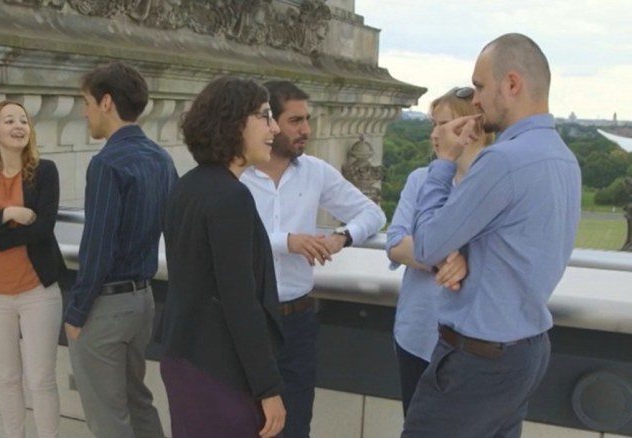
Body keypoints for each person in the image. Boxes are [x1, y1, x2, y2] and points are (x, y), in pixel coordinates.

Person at [402, 33, 581, 437]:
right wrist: (467, 251)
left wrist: (444, 161)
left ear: (512, 83)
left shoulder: (503, 160)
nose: (477, 100)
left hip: (477, 362)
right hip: (526, 351)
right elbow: (517, 241)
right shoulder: (562, 157)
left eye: (480, 87)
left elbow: (427, 245)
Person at [240, 80, 386, 438]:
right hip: (245, 319)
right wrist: (286, 242)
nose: (306, 129)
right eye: (295, 121)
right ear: (269, 123)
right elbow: (225, 238)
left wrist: (341, 237)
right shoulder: (236, 173)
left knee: (295, 425)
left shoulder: (315, 171)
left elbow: (373, 214)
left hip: (297, 323)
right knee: (242, 423)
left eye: (307, 119)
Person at [159, 76, 285, 438]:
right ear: (233, 122)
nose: (274, 128)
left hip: (184, 357)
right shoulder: (231, 197)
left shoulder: (187, 186)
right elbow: (239, 299)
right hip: (220, 371)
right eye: (264, 115)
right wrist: (268, 387)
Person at [64, 61, 176, 438]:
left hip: (105, 306)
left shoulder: (106, 163)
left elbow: (98, 248)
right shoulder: (162, 159)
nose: (85, 112)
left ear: (106, 102)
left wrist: (77, 312)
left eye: (87, 102)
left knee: (108, 418)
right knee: (137, 401)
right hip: (143, 302)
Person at [0, 100, 65, 438]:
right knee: (6, 378)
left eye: (23, 120)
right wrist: (9, 214)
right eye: (9, 120)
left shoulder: (45, 171)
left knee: (41, 379)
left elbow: (43, 228)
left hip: (38, 291)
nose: (19, 126)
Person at [386, 86, 493, 416]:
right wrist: (444, 260)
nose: (434, 135)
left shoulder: (496, 182)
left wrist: (450, 254)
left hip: (473, 344)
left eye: (443, 125)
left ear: (472, 127)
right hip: (417, 335)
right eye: (433, 125)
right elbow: (395, 243)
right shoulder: (421, 179)